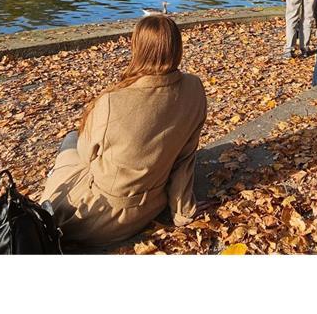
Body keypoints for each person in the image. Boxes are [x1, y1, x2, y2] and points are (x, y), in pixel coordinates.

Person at [40, 15, 207, 249]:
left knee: (71, 140)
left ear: (137, 48)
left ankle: (52, 177)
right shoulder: (194, 88)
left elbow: (87, 155)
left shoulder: (112, 101)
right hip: (148, 207)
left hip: (99, 217)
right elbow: (185, 156)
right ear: (177, 47)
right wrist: (182, 212)